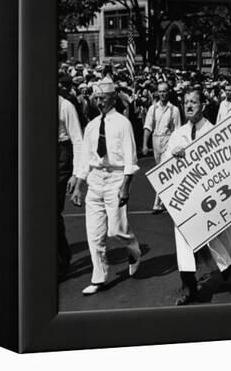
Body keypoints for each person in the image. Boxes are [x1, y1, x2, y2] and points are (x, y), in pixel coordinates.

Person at [71, 77, 142, 296]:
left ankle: (134, 250)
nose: (99, 102)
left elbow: (131, 158)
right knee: (94, 234)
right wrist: (78, 184)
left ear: (113, 98)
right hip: (95, 181)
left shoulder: (123, 123)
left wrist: (125, 186)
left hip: (116, 179)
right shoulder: (92, 126)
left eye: (103, 98)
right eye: (96, 98)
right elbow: (86, 158)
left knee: (116, 229)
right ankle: (99, 277)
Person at [165, 89, 231, 305]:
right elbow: (165, 170)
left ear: (202, 105)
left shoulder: (213, 132)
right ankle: (189, 288)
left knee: (215, 235)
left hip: (209, 195)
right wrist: (173, 156)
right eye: (186, 102)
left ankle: (225, 264)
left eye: (193, 102)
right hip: (186, 198)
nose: (188, 106)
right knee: (184, 241)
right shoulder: (177, 135)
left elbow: (226, 163)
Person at [142, 82, 181, 213]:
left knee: (162, 172)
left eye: (165, 91)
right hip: (156, 140)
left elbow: (177, 130)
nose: (162, 94)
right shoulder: (153, 109)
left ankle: (157, 203)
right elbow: (148, 127)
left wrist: (177, 146)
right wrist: (144, 144)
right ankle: (167, 199)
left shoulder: (174, 110)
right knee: (162, 171)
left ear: (168, 92)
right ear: (157, 93)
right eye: (160, 91)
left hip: (168, 140)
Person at [58, 85, 84, 279]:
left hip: (61, 156)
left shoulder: (65, 106)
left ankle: (60, 260)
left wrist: (76, 174)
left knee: (52, 212)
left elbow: (77, 140)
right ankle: (61, 253)